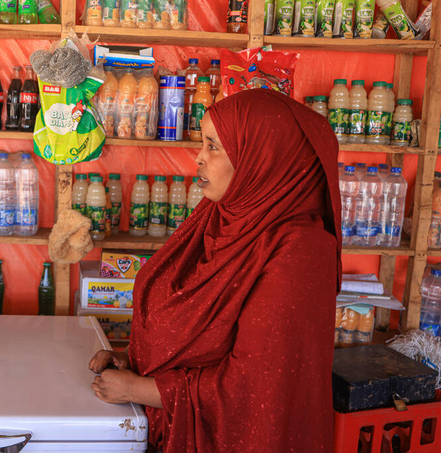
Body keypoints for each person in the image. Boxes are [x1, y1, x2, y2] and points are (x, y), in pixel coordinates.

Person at [89, 89, 341, 452]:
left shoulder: (300, 251)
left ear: (261, 160)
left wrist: (137, 388)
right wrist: (136, 360)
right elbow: (196, 333)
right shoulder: (222, 215)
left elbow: (253, 385)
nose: (198, 158)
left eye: (213, 146)